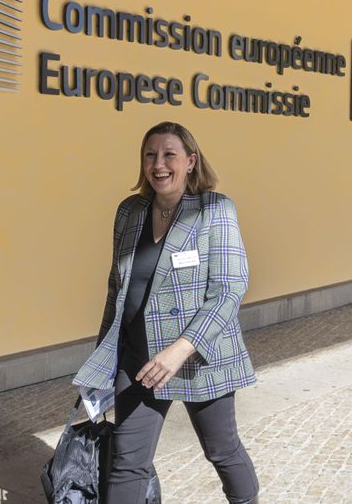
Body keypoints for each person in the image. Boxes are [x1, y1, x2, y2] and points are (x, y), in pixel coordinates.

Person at [73, 121, 260, 503]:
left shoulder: (215, 210)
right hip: (139, 359)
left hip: (197, 357)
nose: (159, 164)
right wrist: (103, 359)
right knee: (127, 463)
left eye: (169, 155)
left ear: (191, 161)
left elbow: (228, 289)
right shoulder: (129, 212)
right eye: (150, 155)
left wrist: (179, 350)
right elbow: (117, 291)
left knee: (221, 451)